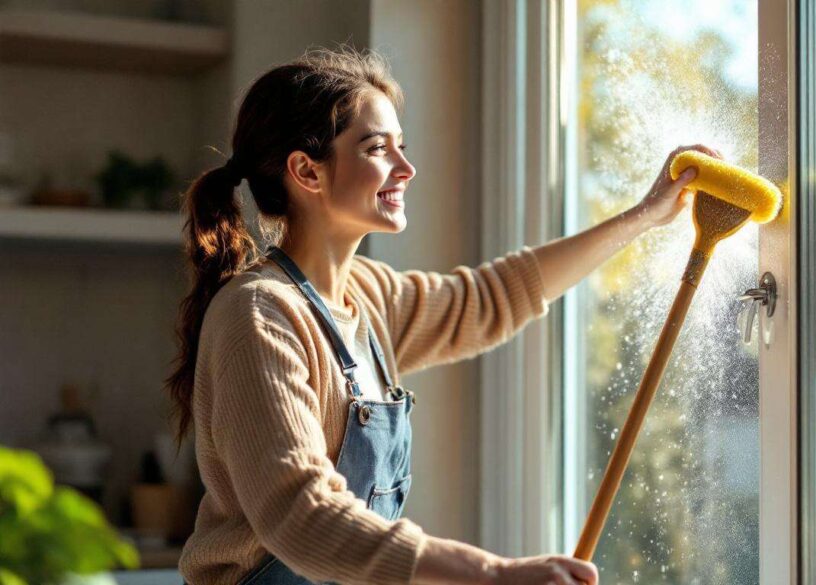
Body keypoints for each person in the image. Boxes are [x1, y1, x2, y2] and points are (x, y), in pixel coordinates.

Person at [166, 45, 716, 585]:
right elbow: (302, 515)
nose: (406, 168)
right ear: (307, 172)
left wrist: (646, 217)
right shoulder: (260, 315)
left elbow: (491, 297)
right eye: (378, 149)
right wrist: (492, 573)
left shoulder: (367, 296)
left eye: (401, 146)